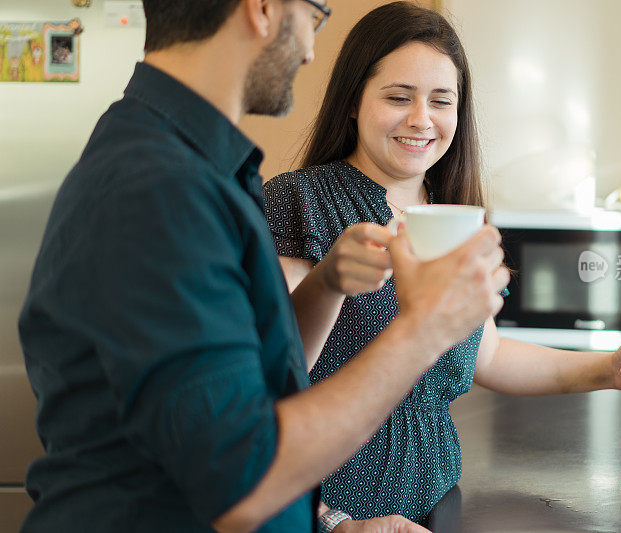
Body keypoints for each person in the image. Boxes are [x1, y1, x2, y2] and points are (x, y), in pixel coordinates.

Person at [16, 1, 509, 532]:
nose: (311, 48)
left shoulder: (196, 169)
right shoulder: (162, 189)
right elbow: (241, 479)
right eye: (313, 13)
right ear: (265, 9)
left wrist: (324, 284)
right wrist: (423, 328)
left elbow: (251, 401)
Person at [262, 1, 621, 527]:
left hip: (439, 502)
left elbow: (486, 352)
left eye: (441, 101)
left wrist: (607, 368)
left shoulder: (450, 214)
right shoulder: (299, 203)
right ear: (352, 103)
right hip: (329, 517)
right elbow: (273, 376)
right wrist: (333, 522)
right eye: (399, 97)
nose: (422, 119)